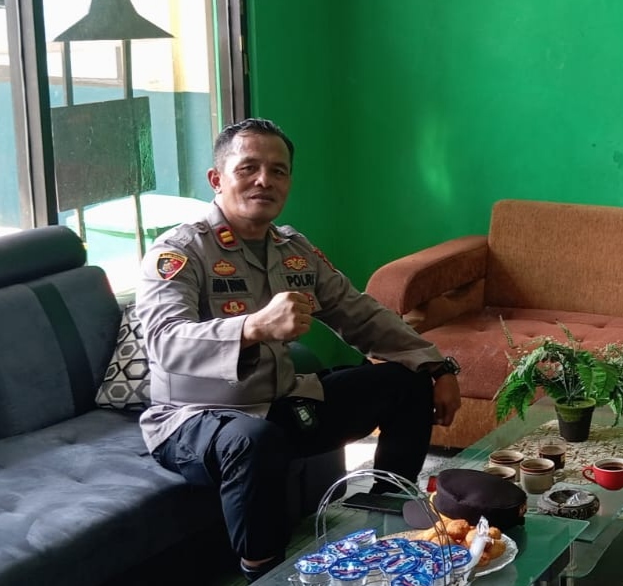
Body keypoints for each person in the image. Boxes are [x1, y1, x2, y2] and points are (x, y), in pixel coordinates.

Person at [135, 118, 463, 582]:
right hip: (194, 419)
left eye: (278, 171)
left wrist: (436, 364)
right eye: (248, 168)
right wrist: (251, 327)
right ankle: (265, 572)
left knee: (406, 383)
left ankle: (385, 519)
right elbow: (164, 341)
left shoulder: (292, 249)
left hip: (279, 401)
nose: (264, 180)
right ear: (216, 179)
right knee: (253, 440)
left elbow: (359, 314)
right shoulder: (180, 251)